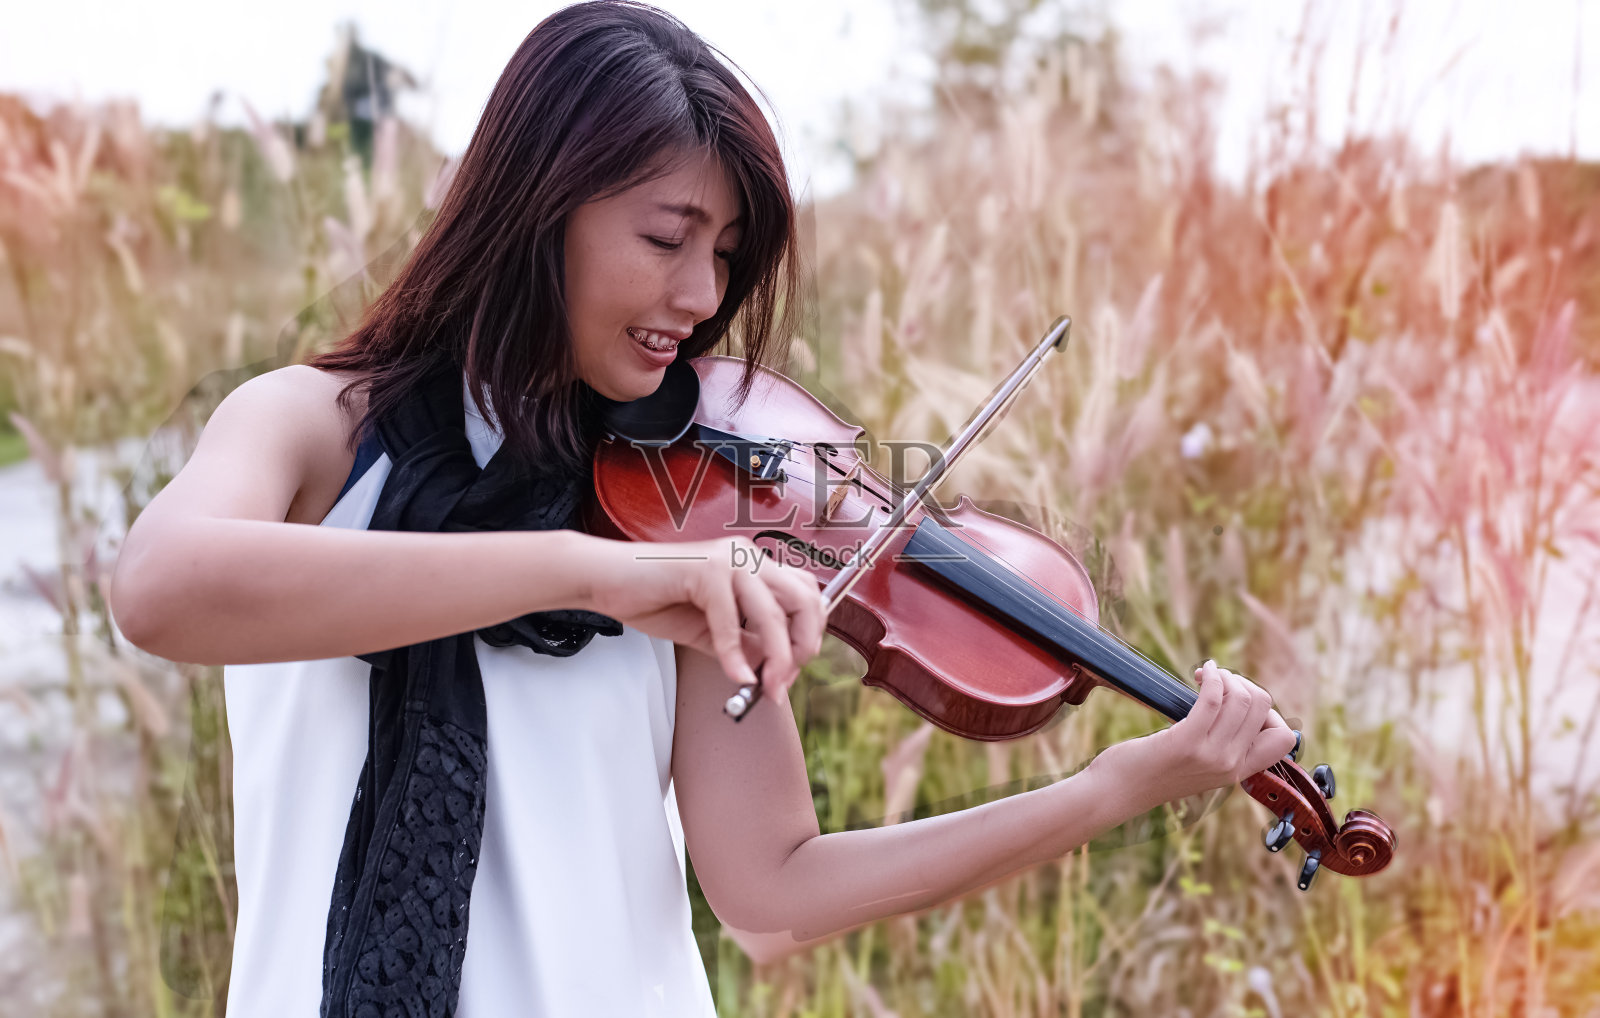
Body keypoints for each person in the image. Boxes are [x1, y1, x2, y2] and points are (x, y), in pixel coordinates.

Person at [108, 3, 1299, 1016]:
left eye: (725, 253)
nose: (699, 293)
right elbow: (160, 590)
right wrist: (591, 574)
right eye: (665, 237)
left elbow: (773, 892)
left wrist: (1110, 789)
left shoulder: (677, 505)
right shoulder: (316, 431)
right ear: (535, 208)